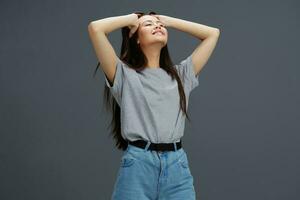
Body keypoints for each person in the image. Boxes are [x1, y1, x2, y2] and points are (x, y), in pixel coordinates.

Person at [88, 11, 220, 200]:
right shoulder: (124, 75)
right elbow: (96, 28)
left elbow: (213, 34)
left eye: (160, 24)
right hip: (138, 166)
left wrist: (169, 21)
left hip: (177, 167)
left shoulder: (182, 75)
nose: (158, 26)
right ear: (136, 39)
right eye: (148, 25)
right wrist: (132, 19)